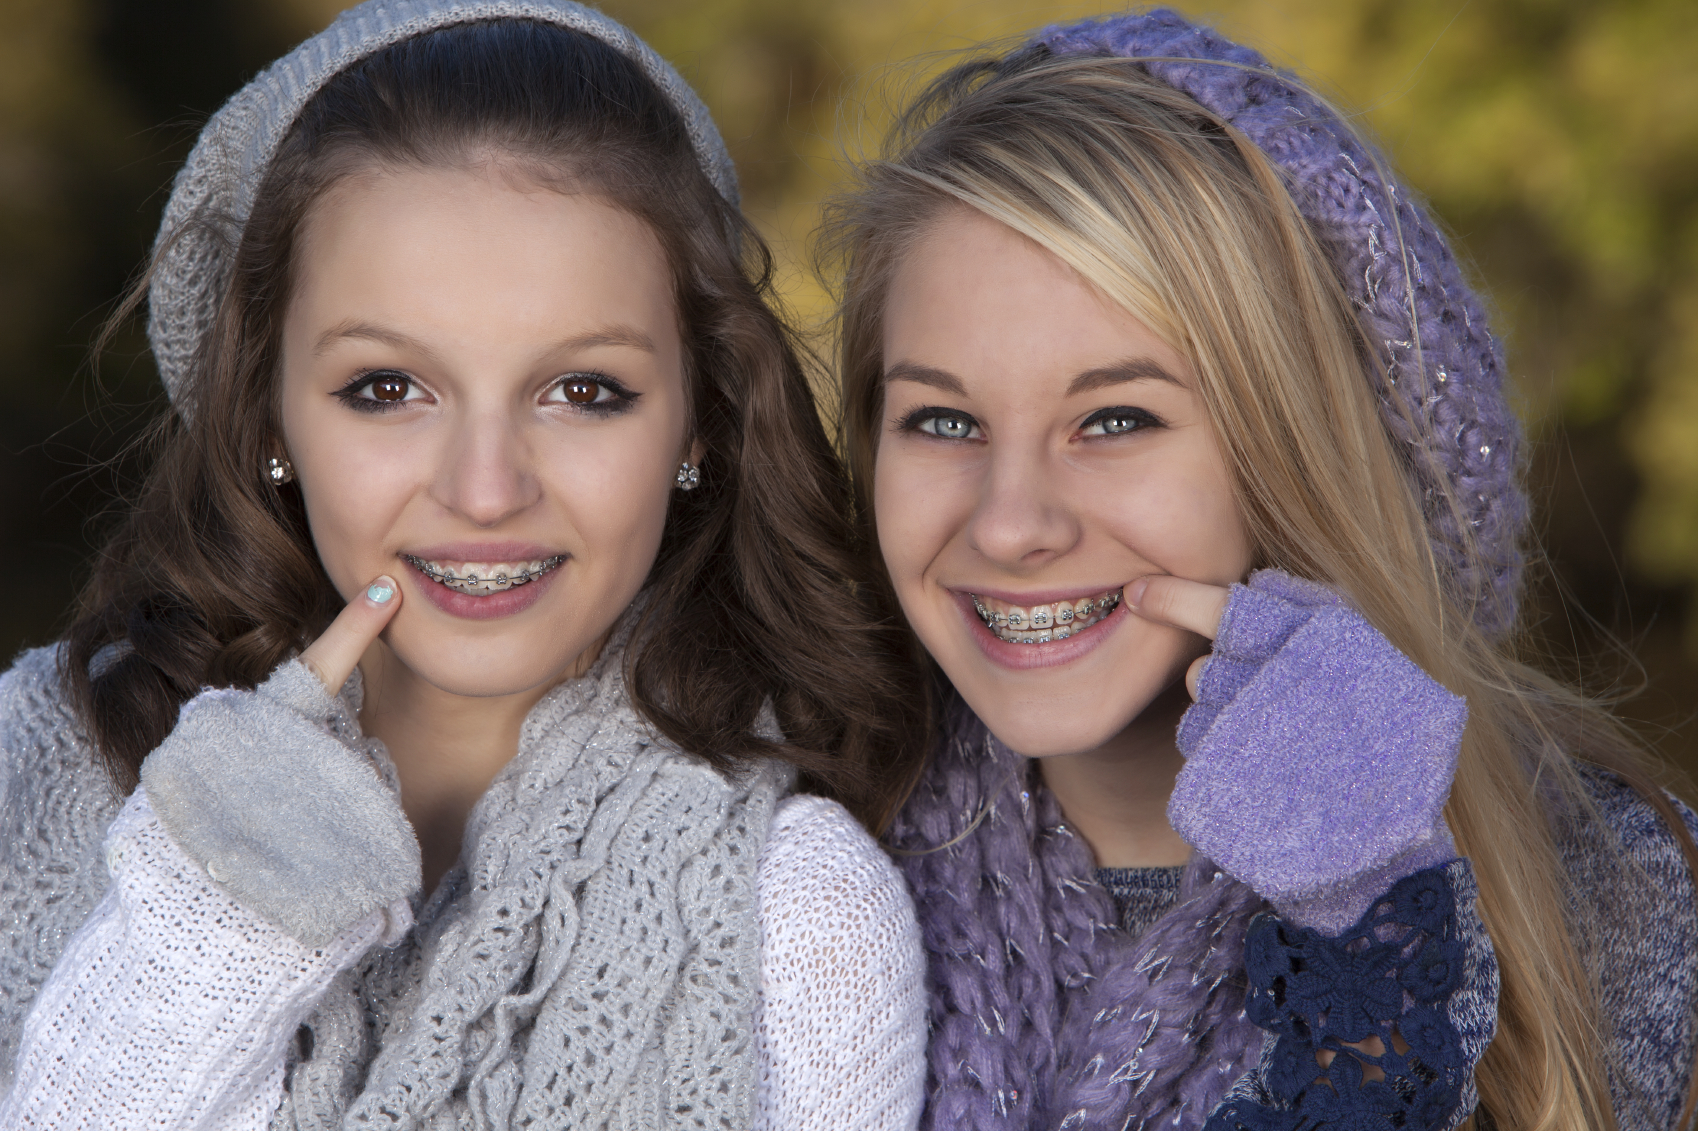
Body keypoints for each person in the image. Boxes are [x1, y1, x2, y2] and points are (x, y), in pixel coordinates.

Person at [0, 3, 929, 1127]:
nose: (486, 489)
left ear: (701, 424)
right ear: (267, 419)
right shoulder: (26, 774)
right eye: (386, 389)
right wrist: (225, 902)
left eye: (583, 391)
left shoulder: (801, 924)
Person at [821, 9, 1698, 1131]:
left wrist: (1368, 918)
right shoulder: (789, 857)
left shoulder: (1608, 885)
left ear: (1292, 445)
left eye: (1116, 418)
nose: (1009, 524)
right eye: (942, 423)